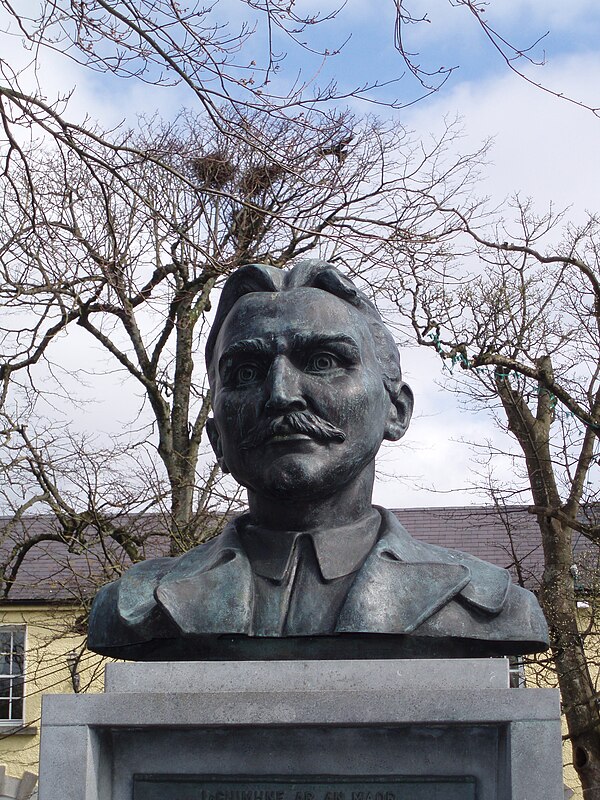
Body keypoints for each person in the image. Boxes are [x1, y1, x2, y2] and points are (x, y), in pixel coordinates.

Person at [88, 260, 549, 660]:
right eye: (246, 373)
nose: (281, 395)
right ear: (216, 438)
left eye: (324, 361)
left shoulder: (487, 604)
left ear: (396, 410)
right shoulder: (136, 607)